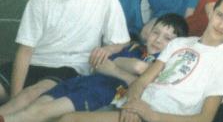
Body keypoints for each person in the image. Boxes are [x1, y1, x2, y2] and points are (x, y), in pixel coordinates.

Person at [58, 0, 223, 122]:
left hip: (162, 117)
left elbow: (205, 118)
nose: (221, 25)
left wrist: (152, 115)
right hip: (135, 108)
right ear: (212, 11)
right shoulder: (179, 43)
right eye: (220, 15)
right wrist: (132, 106)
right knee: (67, 119)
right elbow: (142, 81)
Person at [0, 0, 129, 107]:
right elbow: (25, 50)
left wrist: (108, 49)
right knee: (18, 99)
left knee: (30, 95)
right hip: (34, 61)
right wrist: (14, 97)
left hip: (70, 68)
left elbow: (121, 40)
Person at [0, 14, 186, 122]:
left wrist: (120, 65)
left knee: (39, 113)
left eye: (167, 38)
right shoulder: (134, 48)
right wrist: (129, 69)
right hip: (82, 81)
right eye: (156, 32)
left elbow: (140, 72)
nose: (158, 40)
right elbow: (100, 65)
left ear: (177, 44)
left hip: (100, 92)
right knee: (34, 108)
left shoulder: (163, 65)